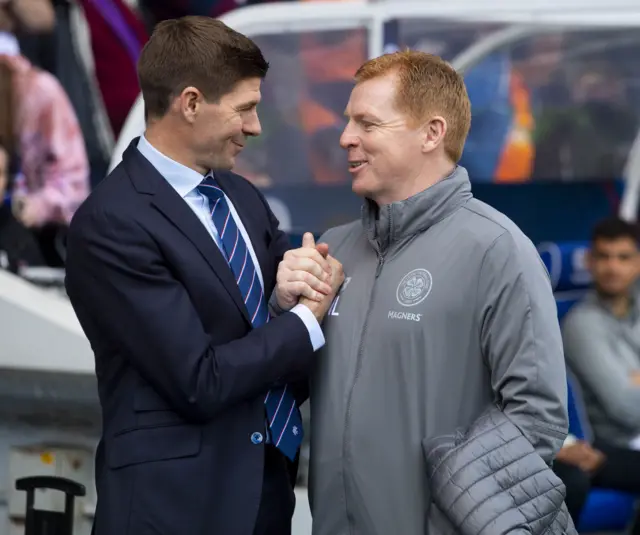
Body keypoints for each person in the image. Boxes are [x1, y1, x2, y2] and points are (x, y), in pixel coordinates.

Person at [64, 17, 343, 535]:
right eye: (244, 108)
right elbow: (199, 380)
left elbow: (274, 344)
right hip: (172, 511)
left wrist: (293, 294)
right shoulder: (112, 222)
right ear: (190, 103)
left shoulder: (241, 197)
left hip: (264, 496)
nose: (255, 126)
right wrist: (304, 319)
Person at [308, 50, 575, 534]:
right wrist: (282, 310)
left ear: (432, 133)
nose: (346, 137)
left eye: (367, 123)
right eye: (349, 121)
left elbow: (537, 415)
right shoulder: (335, 250)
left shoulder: (497, 248)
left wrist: (450, 521)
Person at [559, 217, 640, 530]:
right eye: (604, 257)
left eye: (623, 257)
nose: (613, 267)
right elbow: (624, 406)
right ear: (590, 262)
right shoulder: (581, 324)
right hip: (604, 443)